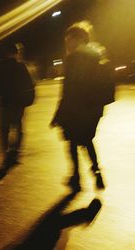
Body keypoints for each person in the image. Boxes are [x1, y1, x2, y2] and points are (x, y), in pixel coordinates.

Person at [50, 22, 113, 190]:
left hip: (76, 108)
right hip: (95, 109)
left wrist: (58, 114)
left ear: (76, 39)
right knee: (86, 139)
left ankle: (76, 176)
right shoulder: (97, 54)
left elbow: (68, 88)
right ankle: (96, 171)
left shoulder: (73, 58)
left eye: (68, 38)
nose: (66, 42)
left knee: (71, 141)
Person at [0, 43, 35, 167]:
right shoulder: (21, 67)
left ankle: (5, 153)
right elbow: (29, 84)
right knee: (18, 127)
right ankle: (15, 151)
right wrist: (29, 98)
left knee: (4, 129)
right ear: (16, 53)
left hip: (5, 103)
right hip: (19, 103)